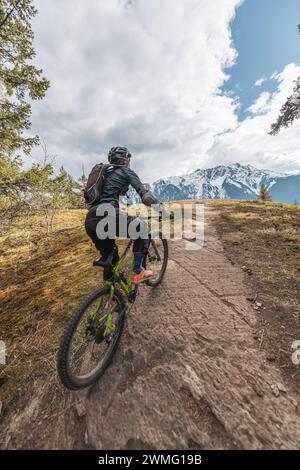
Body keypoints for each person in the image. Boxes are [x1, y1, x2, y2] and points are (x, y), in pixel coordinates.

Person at [85, 146, 164, 283]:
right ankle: (139, 271)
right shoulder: (126, 171)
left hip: (90, 220)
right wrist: (162, 209)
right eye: (128, 158)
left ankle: (111, 296)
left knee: (110, 258)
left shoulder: (104, 173)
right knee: (142, 228)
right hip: (107, 214)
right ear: (125, 160)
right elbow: (146, 197)